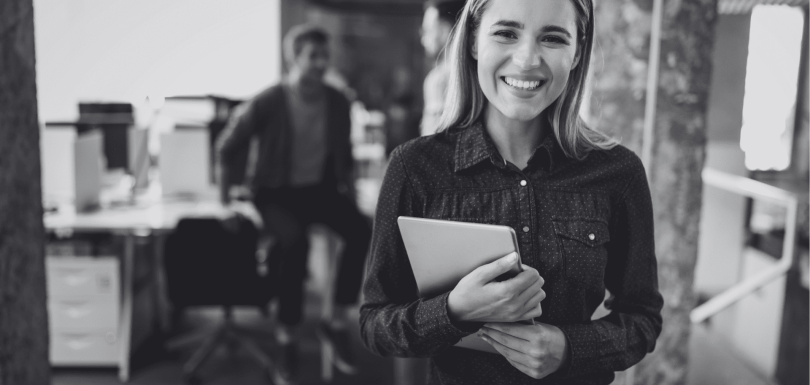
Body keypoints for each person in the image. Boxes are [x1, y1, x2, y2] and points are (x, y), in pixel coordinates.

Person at [359, 0, 664, 383]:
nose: (526, 60)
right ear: (473, 41)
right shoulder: (414, 167)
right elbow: (375, 324)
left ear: (577, 54)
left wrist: (571, 347)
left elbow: (643, 319)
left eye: (553, 38)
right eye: (506, 33)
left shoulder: (618, 173)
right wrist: (452, 311)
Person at [216, 24, 371, 385]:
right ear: (294, 58)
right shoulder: (269, 100)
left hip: (319, 190)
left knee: (360, 230)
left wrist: (349, 193)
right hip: (274, 193)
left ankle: (334, 322)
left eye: (324, 56)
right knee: (294, 242)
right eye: (312, 56)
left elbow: (343, 155)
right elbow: (227, 147)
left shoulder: (337, 101)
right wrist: (225, 201)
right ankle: (287, 340)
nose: (320, 64)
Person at [419, 0, 466, 137]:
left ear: (444, 31)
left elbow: (432, 140)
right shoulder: (475, 74)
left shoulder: (439, 79)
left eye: (427, 30)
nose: (423, 39)